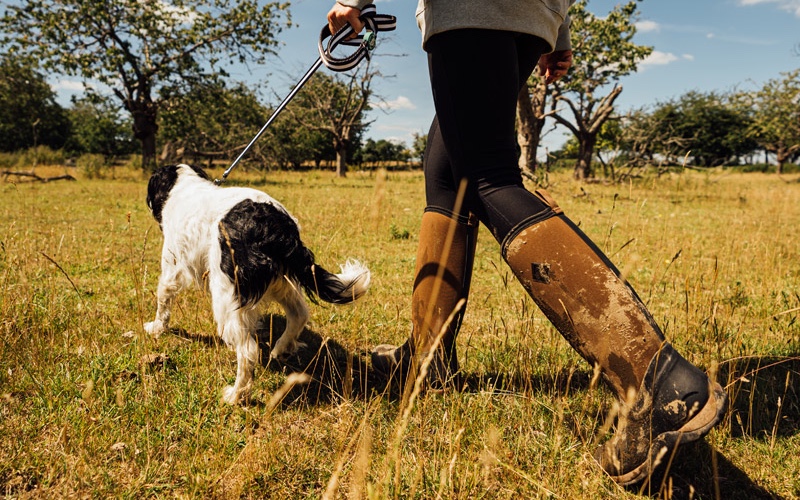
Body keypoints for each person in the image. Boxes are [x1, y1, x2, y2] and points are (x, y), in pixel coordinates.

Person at [327, 0, 727, 486]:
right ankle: (427, 359)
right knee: (448, 174)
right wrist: (557, 30)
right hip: (528, 14)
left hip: (473, 11)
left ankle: (658, 382)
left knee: (487, 176)